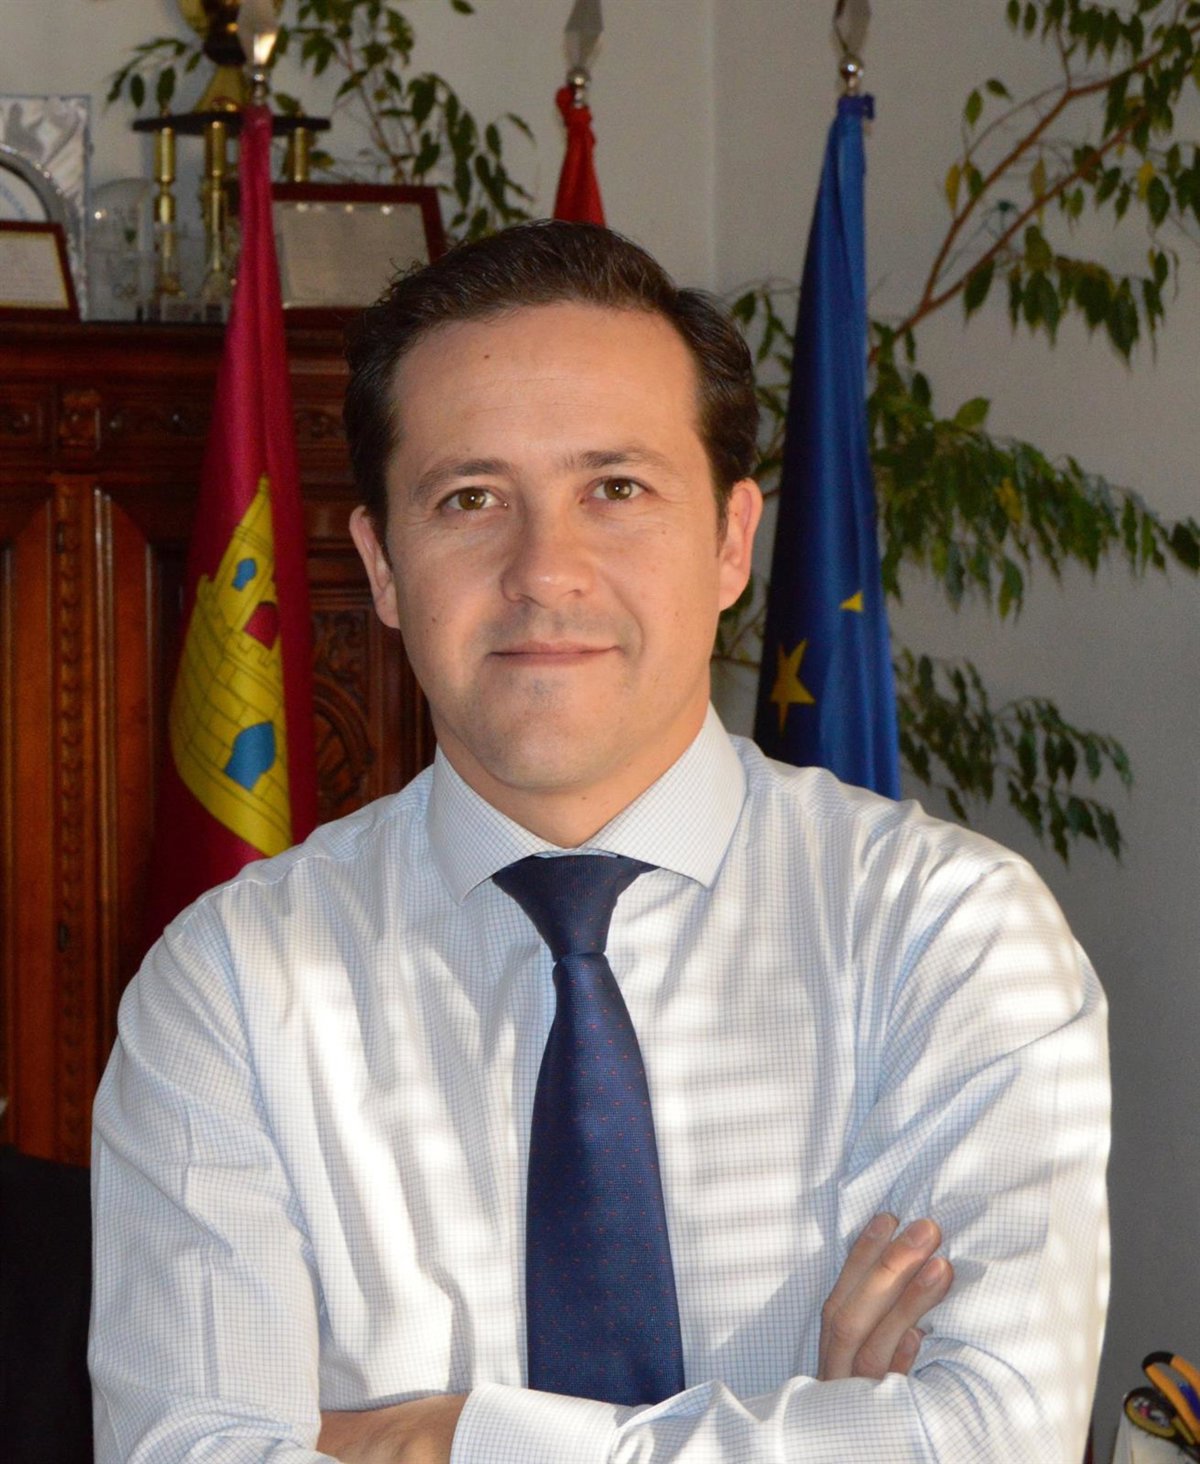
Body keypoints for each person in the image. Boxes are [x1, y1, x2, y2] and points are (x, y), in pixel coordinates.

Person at [90, 221, 1110, 1463]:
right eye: (470, 500)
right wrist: (826, 1429)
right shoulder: (234, 986)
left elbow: (996, 1436)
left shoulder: (951, 936)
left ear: (732, 541)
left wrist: (442, 1435)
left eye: (615, 490)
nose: (545, 570)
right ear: (383, 567)